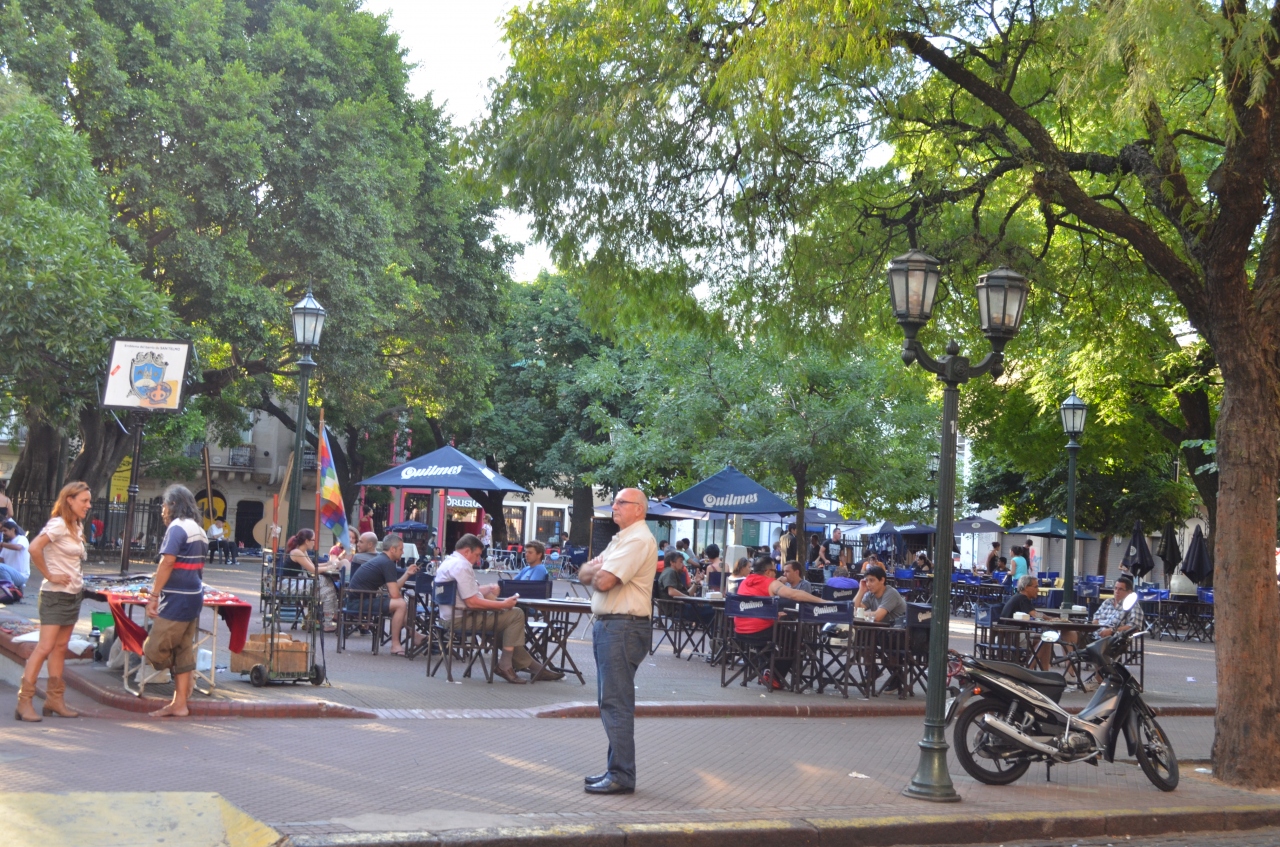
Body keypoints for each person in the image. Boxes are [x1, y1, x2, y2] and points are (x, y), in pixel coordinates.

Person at [577, 488, 657, 795]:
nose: (615, 506)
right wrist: (598, 569)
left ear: (639, 509)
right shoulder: (621, 539)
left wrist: (599, 569)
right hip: (613, 626)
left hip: (622, 627)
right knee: (610, 701)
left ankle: (622, 774)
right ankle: (616, 769)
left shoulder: (637, 540)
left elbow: (604, 580)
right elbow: (584, 573)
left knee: (615, 702)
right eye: (615, 502)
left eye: (622, 502)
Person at [435, 533, 562, 683]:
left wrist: (488, 588)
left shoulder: (449, 562)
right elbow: (472, 602)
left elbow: (466, 592)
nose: (478, 559)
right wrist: (502, 605)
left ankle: (536, 669)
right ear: (467, 551)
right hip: (461, 619)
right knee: (516, 614)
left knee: (507, 630)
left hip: (447, 618)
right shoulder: (462, 565)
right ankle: (505, 666)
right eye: (477, 555)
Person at [15, 481, 92, 722]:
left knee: (60, 647)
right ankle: (24, 701)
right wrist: (50, 575)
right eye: (84, 501)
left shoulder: (76, 525)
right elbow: (34, 548)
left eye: (89, 501)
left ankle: (54, 700)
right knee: (45, 647)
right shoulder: (58, 524)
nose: (88, 505)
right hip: (55, 595)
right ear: (70, 500)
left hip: (72, 594)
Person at [143, 485, 208, 718]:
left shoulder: (177, 527)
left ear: (173, 504)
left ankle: (185, 680)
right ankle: (179, 703)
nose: (162, 510)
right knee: (183, 649)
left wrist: (153, 596)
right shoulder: (199, 530)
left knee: (153, 649)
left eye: (164, 504)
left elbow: (167, 562)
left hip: (177, 599)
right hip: (193, 597)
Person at [734, 555, 826, 690]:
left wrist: (772, 613)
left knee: (771, 641)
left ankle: (766, 670)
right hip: (760, 631)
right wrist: (823, 601)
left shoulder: (745, 582)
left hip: (740, 632)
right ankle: (775, 677)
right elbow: (794, 594)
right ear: (767, 572)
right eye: (774, 570)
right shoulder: (770, 583)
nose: (776, 574)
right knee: (795, 639)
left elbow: (753, 606)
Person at [345, 532, 420, 655]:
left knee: (401, 603)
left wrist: (407, 573)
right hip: (358, 602)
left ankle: (414, 635)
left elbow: (394, 588)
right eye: (401, 549)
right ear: (392, 549)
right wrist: (397, 598)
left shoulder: (383, 559)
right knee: (401, 604)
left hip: (360, 599)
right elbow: (394, 594)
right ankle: (396, 645)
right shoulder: (387, 563)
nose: (402, 552)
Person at [286, 528, 339, 632]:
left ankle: (330, 621)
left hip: (297, 583)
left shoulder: (302, 551)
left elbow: (313, 566)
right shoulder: (297, 552)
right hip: (289, 585)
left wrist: (329, 563)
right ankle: (331, 619)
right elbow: (313, 570)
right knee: (326, 583)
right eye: (314, 540)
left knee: (328, 589)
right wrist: (330, 567)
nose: (315, 543)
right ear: (307, 541)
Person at [0, 519, 30, 590]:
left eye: (5, 531)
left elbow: (18, 547)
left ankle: (11, 589)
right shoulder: (7, 545)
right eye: (2, 531)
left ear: (13, 530)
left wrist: (2, 544)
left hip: (21, 576)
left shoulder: (22, 539)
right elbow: (1, 559)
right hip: (10, 575)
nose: (3, 533)